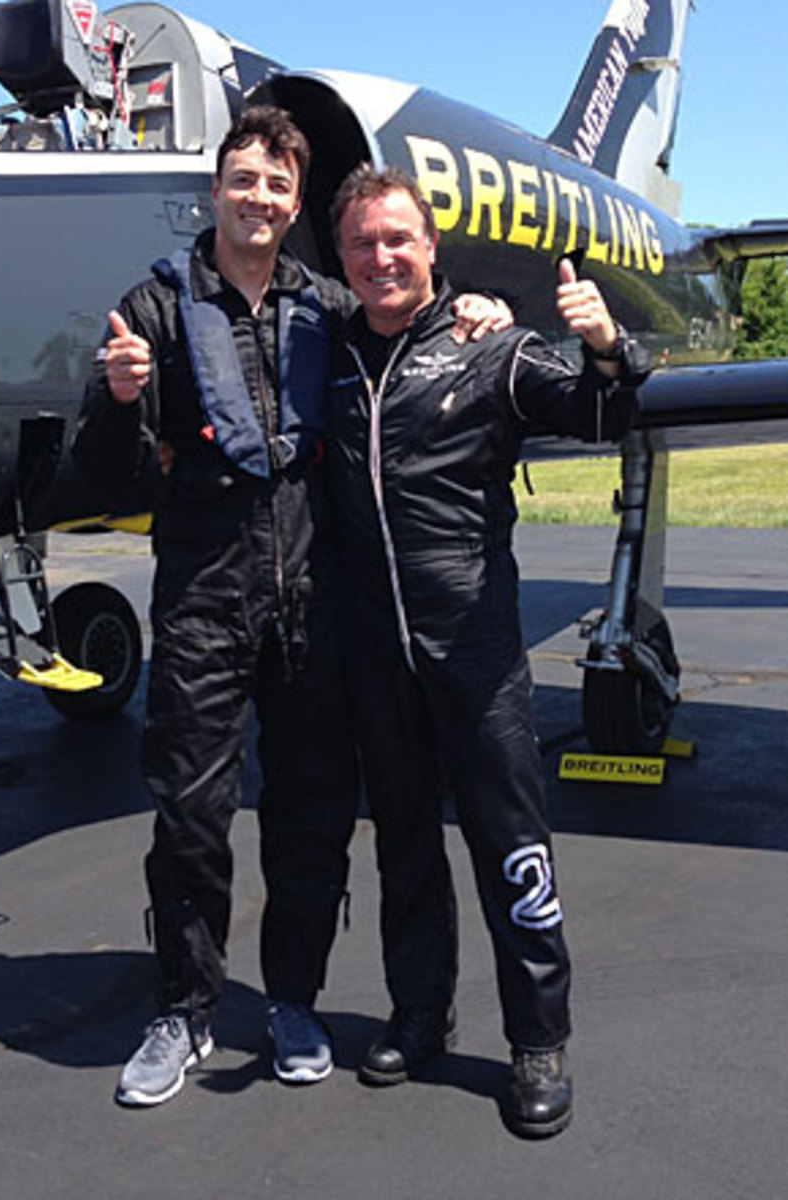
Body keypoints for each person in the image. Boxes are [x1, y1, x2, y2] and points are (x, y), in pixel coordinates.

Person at [74, 108, 509, 1107]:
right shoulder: (150, 308)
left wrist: (473, 310)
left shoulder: (326, 307)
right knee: (189, 815)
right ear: (215, 189)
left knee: (311, 815)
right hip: (203, 597)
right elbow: (101, 469)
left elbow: (408, 328)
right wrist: (120, 397)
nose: (259, 197)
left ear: (293, 199)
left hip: (311, 600)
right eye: (243, 179)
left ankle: (295, 1000)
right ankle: (183, 1009)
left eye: (277, 183)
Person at [326, 164, 651, 1138]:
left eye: (397, 239)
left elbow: (601, 415)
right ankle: (420, 1011)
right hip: (376, 655)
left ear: (431, 249)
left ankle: (536, 1040)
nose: (380, 257)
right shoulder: (327, 354)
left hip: (474, 652)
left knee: (513, 853)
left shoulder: (492, 347)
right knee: (404, 849)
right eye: (361, 243)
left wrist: (604, 344)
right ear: (342, 259)